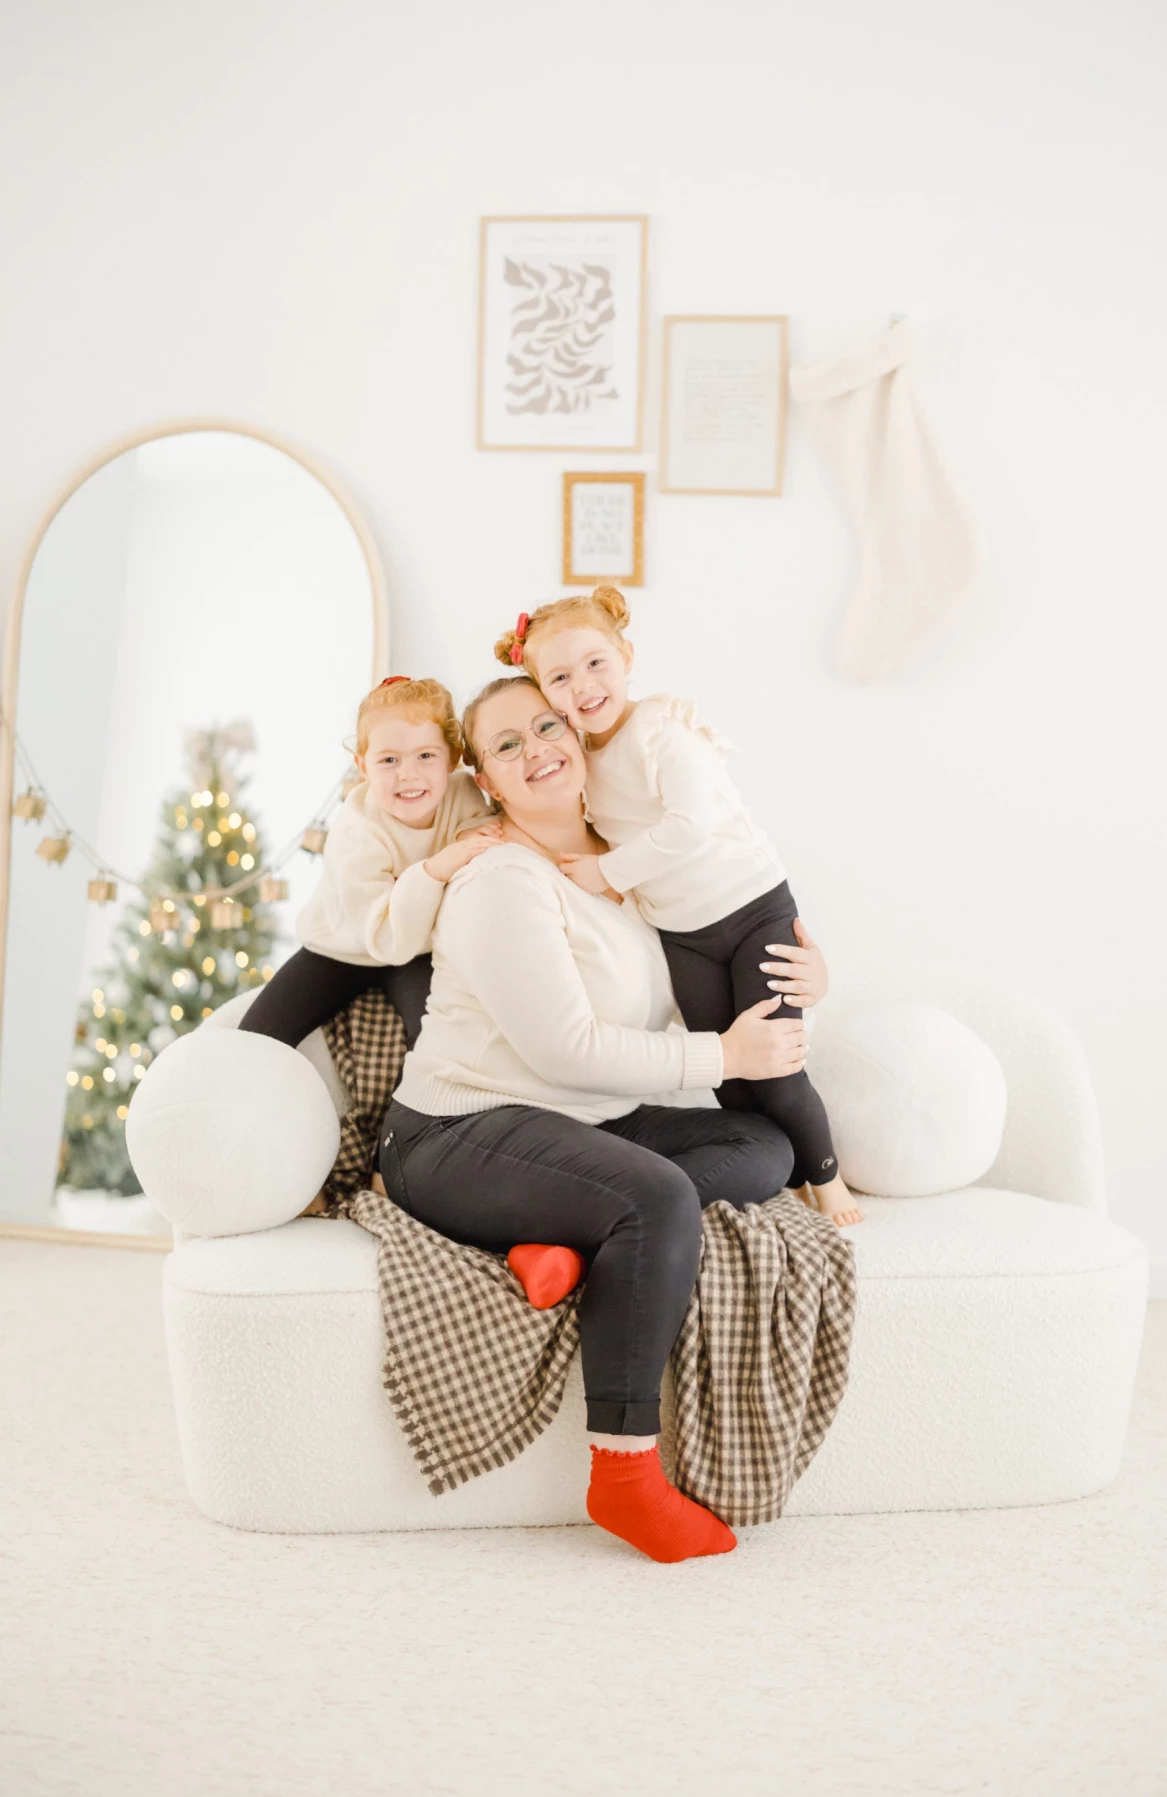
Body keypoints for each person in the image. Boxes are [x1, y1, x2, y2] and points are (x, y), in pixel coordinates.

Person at [377, 673, 817, 1565]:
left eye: (549, 726)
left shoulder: (630, 872)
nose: (539, 747)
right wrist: (724, 1059)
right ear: (486, 782)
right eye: (508, 744)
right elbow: (566, 1050)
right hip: (457, 1130)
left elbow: (732, 930)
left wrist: (812, 978)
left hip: (581, 1130)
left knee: (763, 1146)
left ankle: (572, 1241)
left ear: (580, 743)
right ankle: (623, 1477)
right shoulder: (504, 877)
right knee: (655, 1199)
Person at [494, 588, 862, 1228]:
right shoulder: (583, 758)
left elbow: (689, 827)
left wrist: (606, 872)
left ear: (626, 656)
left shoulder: (661, 733)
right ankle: (780, 1171)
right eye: (558, 677)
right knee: (728, 1069)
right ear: (541, 693)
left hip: (750, 911)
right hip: (684, 934)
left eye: (595, 664)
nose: (581, 686)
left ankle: (827, 1180)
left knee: (775, 1067)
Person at [240, 675, 500, 1049]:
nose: (407, 774)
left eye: (426, 755)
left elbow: (485, 838)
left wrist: (464, 845)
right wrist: (436, 868)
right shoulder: (357, 832)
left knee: (438, 1038)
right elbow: (386, 938)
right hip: (341, 947)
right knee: (256, 1037)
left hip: (419, 950)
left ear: (452, 759)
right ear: (363, 766)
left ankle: (413, 1108)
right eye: (389, 760)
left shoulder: (463, 794)